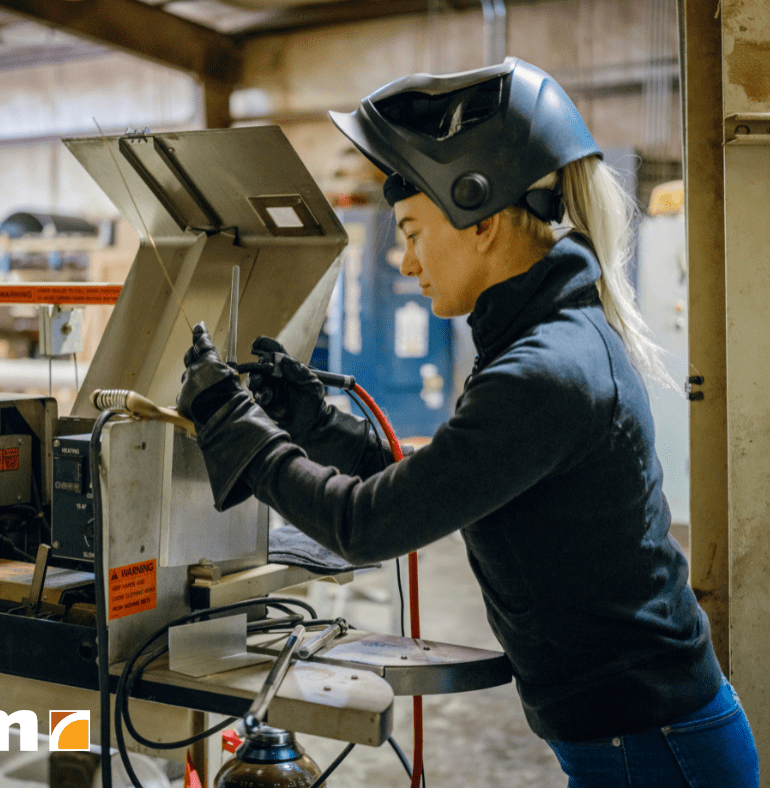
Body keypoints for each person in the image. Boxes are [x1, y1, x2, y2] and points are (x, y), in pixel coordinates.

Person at [176, 58, 759, 787]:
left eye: (413, 230)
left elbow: (370, 524)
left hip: (650, 747)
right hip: (636, 736)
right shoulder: (542, 339)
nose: (406, 259)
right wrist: (313, 423)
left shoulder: (545, 370)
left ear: (480, 220)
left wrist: (237, 430)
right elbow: (438, 481)